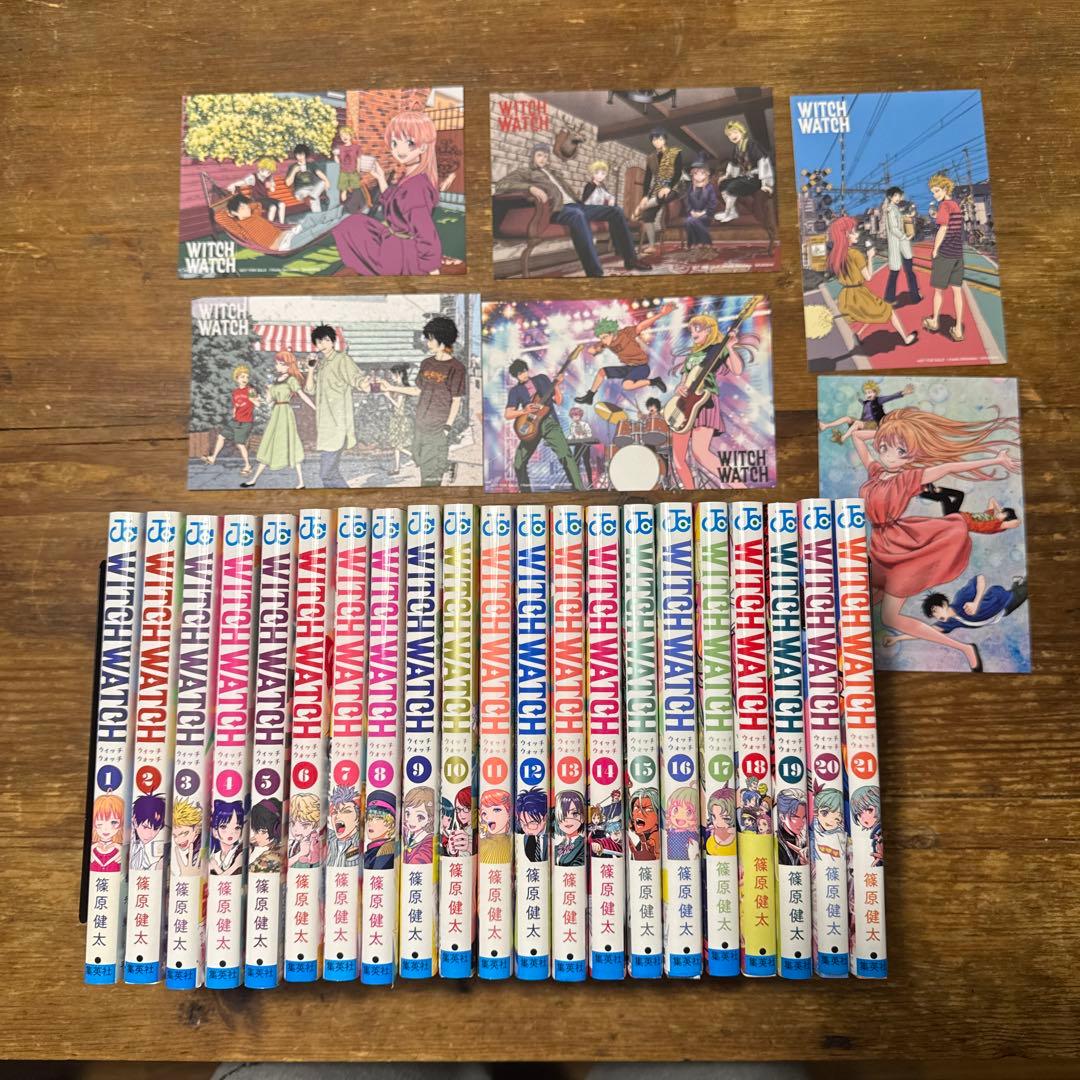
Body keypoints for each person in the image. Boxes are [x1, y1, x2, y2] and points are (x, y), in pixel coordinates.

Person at [850, 407, 1021, 670]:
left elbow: (949, 467)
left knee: (890, 618)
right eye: (884, 447)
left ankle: (964, 648)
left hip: (902, 549)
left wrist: (995, 461)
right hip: (880, 545)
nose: (889, 456)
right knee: (862, 596)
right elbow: (858, 437)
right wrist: (891, 431)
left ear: (911, 455)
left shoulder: (909, 478)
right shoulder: (876, 472)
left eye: (900, 451)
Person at [493, 142, 651, 277]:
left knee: (615, 211)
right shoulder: (526, 172)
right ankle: (594, 272)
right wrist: (531, 188)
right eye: (539, 155)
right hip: (556, 209)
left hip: (575, 205)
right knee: (577, 214)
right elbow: (502, 185)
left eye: (546, 156)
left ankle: (631, 260)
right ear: (532, 156)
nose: (543, 159)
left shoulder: (554, 173)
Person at [332, 111, 444, 276]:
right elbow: (394, 203)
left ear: (423, 146)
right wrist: (380, 178)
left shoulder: (417, 187)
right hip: (396, 240)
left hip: (402, 254)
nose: (400, 149)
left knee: (350, 229)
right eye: (394, 143)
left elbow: (425, 232)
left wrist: (432, 269)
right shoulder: (411, 176)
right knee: (355, 222)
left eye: (409, 143)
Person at [670, 312, 757, 489]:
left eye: (698, 329)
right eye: (692, 330)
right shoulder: (691, 356)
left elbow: (737, 370)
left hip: (704, 402)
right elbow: (684, 380)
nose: (693, 333)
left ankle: (740, 488)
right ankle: (690, 495)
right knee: (678, 459)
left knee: (700, 453)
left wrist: (730, 348)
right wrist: (679, 388)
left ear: (709, 330)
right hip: (683, 405)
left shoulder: (718, 349)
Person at [379, 315, 466, 486]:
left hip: (438, 427)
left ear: (442, 339)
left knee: (428, 478)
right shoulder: (426, 363)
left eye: (430, 339)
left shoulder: (456, 368)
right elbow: (417, 390)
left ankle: (437, 475)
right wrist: (391, 387)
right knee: (418, 458)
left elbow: (456, 400)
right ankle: (446, 465)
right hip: (420, 424)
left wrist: (447, 427)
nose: (427, 343)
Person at [827, 215, 919, 348]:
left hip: (846, 296)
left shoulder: (836, 256)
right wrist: (870, 257)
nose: (857, 234)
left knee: (866, 314)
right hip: (859, 294)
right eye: (853, 232)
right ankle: (906, 339)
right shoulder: (855, 254)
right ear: (846, 235)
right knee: (888, 311)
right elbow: (868, 277)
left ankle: (857, 334)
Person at [504, 357, 585, 493]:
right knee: (518, 463)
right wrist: (525, 411)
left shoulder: (541, 379)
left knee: (566, 455)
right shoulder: (515, 391)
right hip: (530, 426)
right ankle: (526, 495)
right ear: (515, 376)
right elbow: (508, 414)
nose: (523, 375)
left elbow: (558, 401)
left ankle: (579, 490)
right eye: (519, 374)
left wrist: (557, 385)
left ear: (527, 370)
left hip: (549, 422)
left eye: (524, 371)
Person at [304, 324, 370, 488]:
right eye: (319, 342)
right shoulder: (321, 365)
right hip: (325, 425)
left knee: (326, 473)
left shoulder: (342, 359)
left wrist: (363, 384)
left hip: (338, 424)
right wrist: (311, 369)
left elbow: (356, 377)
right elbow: (310, 390)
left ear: (333, 341)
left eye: (327, 340)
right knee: (330, 473)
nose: (323, 344)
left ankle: (346, 499)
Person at [882, 573, 1028, 647]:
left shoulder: (961, 598)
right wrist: (897, 638)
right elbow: (924, 632)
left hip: (1005, 600)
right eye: (933, 615)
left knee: (1028, 587)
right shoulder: (949, 623)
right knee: (1022, 590)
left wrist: (975, 603)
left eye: (935, 610)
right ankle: (1016, 583)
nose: (936, 615)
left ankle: (1019, 585)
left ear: (944, 603)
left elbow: (980, 578)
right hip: (1002, 614)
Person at [241, 350, 316, 490]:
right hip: (276, 413)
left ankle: (301, 482)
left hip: (285, 413)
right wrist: (261, 395)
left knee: (291, 443)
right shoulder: (275, 381)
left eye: (280, 363)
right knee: (269, 442)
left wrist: (315, 408)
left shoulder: (291, 380)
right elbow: (268, 401)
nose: (277, 366)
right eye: (277, 363)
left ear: (288, 365)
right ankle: (254, 479)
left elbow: (302, 395)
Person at [574, 303, 675, 405]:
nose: (603, 340)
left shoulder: (625, 333)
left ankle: (654, 381)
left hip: (641, 367)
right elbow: (595, 348)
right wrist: (592, 350)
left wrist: (661, 314)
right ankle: (590, 396)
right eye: (601, 338)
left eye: (604, 337)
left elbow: (641, 326)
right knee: (602, 372)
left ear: (612, 333)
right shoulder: (606, 342)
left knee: (626, 385)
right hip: (628, 368)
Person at [222, 192, 347, 252]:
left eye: (246, 205)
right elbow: (220, 218)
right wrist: (229, 210)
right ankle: (345, 217)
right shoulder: (239, 227)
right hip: (284, 245)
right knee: (316, 230)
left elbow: (257, 204)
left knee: (310, 218)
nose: (247, 208)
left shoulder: (254, 214)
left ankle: (340, 211)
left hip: (289, 233)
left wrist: (240, 199)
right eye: (242, 208)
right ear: (233, 213)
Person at [923, 173, 966, 341]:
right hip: (957, 254)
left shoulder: (944, 205)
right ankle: (958, 329)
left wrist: (935, 250)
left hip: (945, 253)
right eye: (933, 192)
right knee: (957, 292)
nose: (935, 195)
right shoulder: (955, 205)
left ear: (945, 189)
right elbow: (954, 226)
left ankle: (935, 321)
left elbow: (943, 228)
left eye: (937, 191)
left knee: (938, 291)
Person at [633, 128, 686, 251]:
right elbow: (647, 179)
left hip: (675, 186)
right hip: (658, 188)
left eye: (660, 139)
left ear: (665, 140)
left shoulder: (675, 152)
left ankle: (639, 208)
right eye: (654, 140)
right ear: (652, 141)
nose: (657, 142)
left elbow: (678, 173)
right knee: (647, 216)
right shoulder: (651, 158)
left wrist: (668, 187)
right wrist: (645, 196)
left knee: (663, 196)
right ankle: (652, 246)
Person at [202, 363, 259, 474]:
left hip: (245, 422)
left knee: (240, 444)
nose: (245, 379)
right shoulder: (235, 392)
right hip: (235, 420)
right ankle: (213, 458)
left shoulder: (250, 390)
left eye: (247, 377)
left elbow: (257, 403)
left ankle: (248, 466)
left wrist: (253, 400)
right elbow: (235, 406)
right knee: (221, 436)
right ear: (236, 378)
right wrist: (234, 414)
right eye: (242, 377)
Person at [818, 379, 914, 444]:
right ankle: (825, 426)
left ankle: (843, 438)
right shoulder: (866, 402)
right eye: (867, 393)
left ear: (875, 392)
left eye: (870, 392)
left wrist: (903, 393)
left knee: (857, 423)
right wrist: (857, 398)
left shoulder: (878, 400)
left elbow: (891, 397)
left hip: (874, 425)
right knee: (847, 418)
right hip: (864, 424)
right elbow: (862, 402)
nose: (868, 395)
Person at [715, 119, 774, 223]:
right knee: (723, 184)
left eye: (735, 132)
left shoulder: (752, 145)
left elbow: (763, 162)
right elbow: (734, 165)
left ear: (742, 132)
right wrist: (726, 176)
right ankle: (730, 212)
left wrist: (767, 184)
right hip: (746, 177)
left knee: (732, 187)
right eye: (729, 135)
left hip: (757, 178)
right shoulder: (736, 149)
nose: (733, 136)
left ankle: (729, 213)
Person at [883, 186, 922, 303]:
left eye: (899, 195)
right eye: (895, 195)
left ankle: (891, 297)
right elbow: (894, 229)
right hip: (898, 243)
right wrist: (905, 237)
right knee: (904, 272)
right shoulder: (891, 209)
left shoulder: (895, 209)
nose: (898, 198)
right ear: (890, 197)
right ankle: (913, 296)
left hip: (901, 244)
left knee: (900, 272)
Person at [227, 158, 288, 223]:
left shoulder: (269, 178)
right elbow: (243, 182)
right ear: (261, 169)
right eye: (267, 171)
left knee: (282, 204)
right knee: (273, 207)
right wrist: (234, 184)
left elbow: (272, 189)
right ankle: (271, 224)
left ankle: (282, 223)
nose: (269, 174)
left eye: (270, 172)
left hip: (266, 198)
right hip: (257, 199)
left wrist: (271, 186)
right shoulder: (253, 177)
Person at [382, 364, 412, 476]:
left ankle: (418, 458)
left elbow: (398, 405)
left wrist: (388, 397)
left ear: (400, 374)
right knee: (396, 446)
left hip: (400, 418)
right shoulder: (396, 386)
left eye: (393, 374)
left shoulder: (401, 388)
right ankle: (397, 468)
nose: (391, 376)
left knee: (398, 445)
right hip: (395, 417)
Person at [284, 144, 329, 213]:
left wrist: (327, 181)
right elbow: (288, 183)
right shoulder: (293, 167)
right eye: (298, 155)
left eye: (302, 154)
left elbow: (319, 173)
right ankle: (318, 214)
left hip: (312, 190)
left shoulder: (310, 165)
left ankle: (312, 197)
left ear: (305, 155)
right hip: (300, 191)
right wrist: (294, 171)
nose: (300, 157)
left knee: (322, 183)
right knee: (314, 198)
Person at [325, 784, 362, 867]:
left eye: (346, 811)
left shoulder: (358, 843)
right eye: (334, 812)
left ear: (357, 818)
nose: (338, 816)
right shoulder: (329, 839)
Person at [684, 160, 718, 248]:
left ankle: (699, 242)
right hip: (693, 213)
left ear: (706, 175)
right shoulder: (690, 187)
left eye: (702, 173)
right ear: (692, 175)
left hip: (706, 214)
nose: (699, 176)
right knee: (689, 221)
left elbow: (713, 204)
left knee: (691, 221)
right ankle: (698, 242)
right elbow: (687, 202)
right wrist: (691, 212)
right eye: (696, 173)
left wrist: (702, 213)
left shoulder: (710, 187)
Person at [89, 793, 125, 873]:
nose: (105, 828)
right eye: (99, 823)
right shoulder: (93, 848)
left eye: (113, 822)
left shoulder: (120, 849)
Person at [129, 793, 165, 871]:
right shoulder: (130, 839)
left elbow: (144, 868)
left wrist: (158, 865)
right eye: (145, 827)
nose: (150, 834)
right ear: (134, 820)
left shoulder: (140, 845)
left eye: (156, 829)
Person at [208, 798, 244, 876]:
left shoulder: (240, 852)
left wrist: (216, 867)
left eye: (237, 828)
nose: (231, 833)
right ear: (215, 831)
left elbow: (227, 877)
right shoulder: (214, 854)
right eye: (223, 827)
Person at [363, 791, 397, 870]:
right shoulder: (370, 851)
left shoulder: (387, 852)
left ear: (391, 825)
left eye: (378, 818)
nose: (370, 823)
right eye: (369, 818)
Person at [402, 786, 436, 865]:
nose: (411, 820)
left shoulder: (429, 842)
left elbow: (422, 859)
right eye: (408, 813)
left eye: (420, 817)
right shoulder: (406, 833)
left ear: (430, 819)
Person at [247, 798, 282, 874]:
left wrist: (247, 852)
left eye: (263, 832)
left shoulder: (267, 858)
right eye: (256, 831)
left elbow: (247, 872)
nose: (257, 837)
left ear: (277, 829)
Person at [478, 789, 513, 865]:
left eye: (496, 810)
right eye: (484, 813)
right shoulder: (481, 843)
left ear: (509, 813)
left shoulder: (512, 843)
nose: (488, 817)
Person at [664, 786, 699, 860]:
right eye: (675, 810)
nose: (680, 816)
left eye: (688, 812)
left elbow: (694, 854)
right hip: (671, 862)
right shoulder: (670, 832)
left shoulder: (692, 835)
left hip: (687, 862)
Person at [287, 792, 322, 869]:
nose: (296, 830)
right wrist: (300, 853)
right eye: (292, 823)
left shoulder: (314, 844)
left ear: (315, 825)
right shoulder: (293, 843)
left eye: (304, 825)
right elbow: (285, 865)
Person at [170, 797, 203, 876]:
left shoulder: (200, 851)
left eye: (184, 833)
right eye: (175, 836)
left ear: (196, 828)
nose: (178, 840)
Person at [553, 790, 586, 867]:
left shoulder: (583, 844)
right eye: (563, 815)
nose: (567, 820)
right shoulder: (557, 847)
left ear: (582, 817)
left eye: (574, 813)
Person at [515, 788, 549, 863]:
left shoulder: (553, 836)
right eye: (523, 823)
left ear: (545, 818)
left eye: (532, 823)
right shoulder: (527, 837)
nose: (527, 830)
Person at [775, 789, 808, 866]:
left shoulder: (802, 841)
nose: (802, 823)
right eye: (795, 817)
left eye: (804, 817)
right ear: (782, 817)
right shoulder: (777, 842)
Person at [811, 788, 845, 863]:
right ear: (817, 812)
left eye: (837, 818)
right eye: (824, 813)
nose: (830, 821)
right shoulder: (812, 833)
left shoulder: (840, 835)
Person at [333, 127, 364, 204]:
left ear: (350, 135)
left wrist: (358, 172)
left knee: (355, 190)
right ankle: (346, 206)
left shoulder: (356, 147)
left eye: (346, 135)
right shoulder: (340, 148)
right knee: (343, 192)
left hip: (353, 172)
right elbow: (338, 163)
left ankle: (355, 205)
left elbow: (359, 161)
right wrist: (335, 155)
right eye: (342, 135)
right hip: (343, 172)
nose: (344, 137)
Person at [628, 787, 660, 861]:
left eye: (648, 809)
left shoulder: (653, 842)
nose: (639, 813)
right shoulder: (644, 839)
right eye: (636, 808)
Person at [703, 786, 736, 856]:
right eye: (714, 817)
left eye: (725, 818)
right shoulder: (709, 834)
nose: (718, 824)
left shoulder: (737, 835)